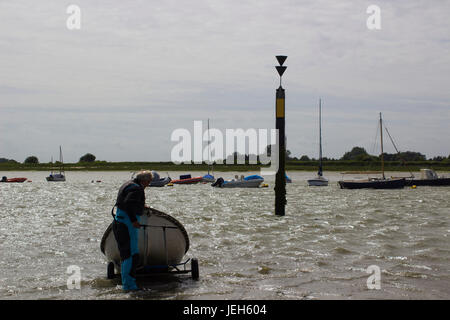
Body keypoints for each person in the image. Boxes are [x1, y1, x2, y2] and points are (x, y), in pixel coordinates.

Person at [112, 170, 153, 291]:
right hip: (127, 224)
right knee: (131, 255)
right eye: (149, 182)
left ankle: (128, 284)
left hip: (119, 221)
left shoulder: (129, 184)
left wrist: (141, 205)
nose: (149, 184)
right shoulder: (137, 189)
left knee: (127, 255)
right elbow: (128, 203)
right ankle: (129, 287)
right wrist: (134, 220)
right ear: (144, 181)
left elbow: (126, 200)